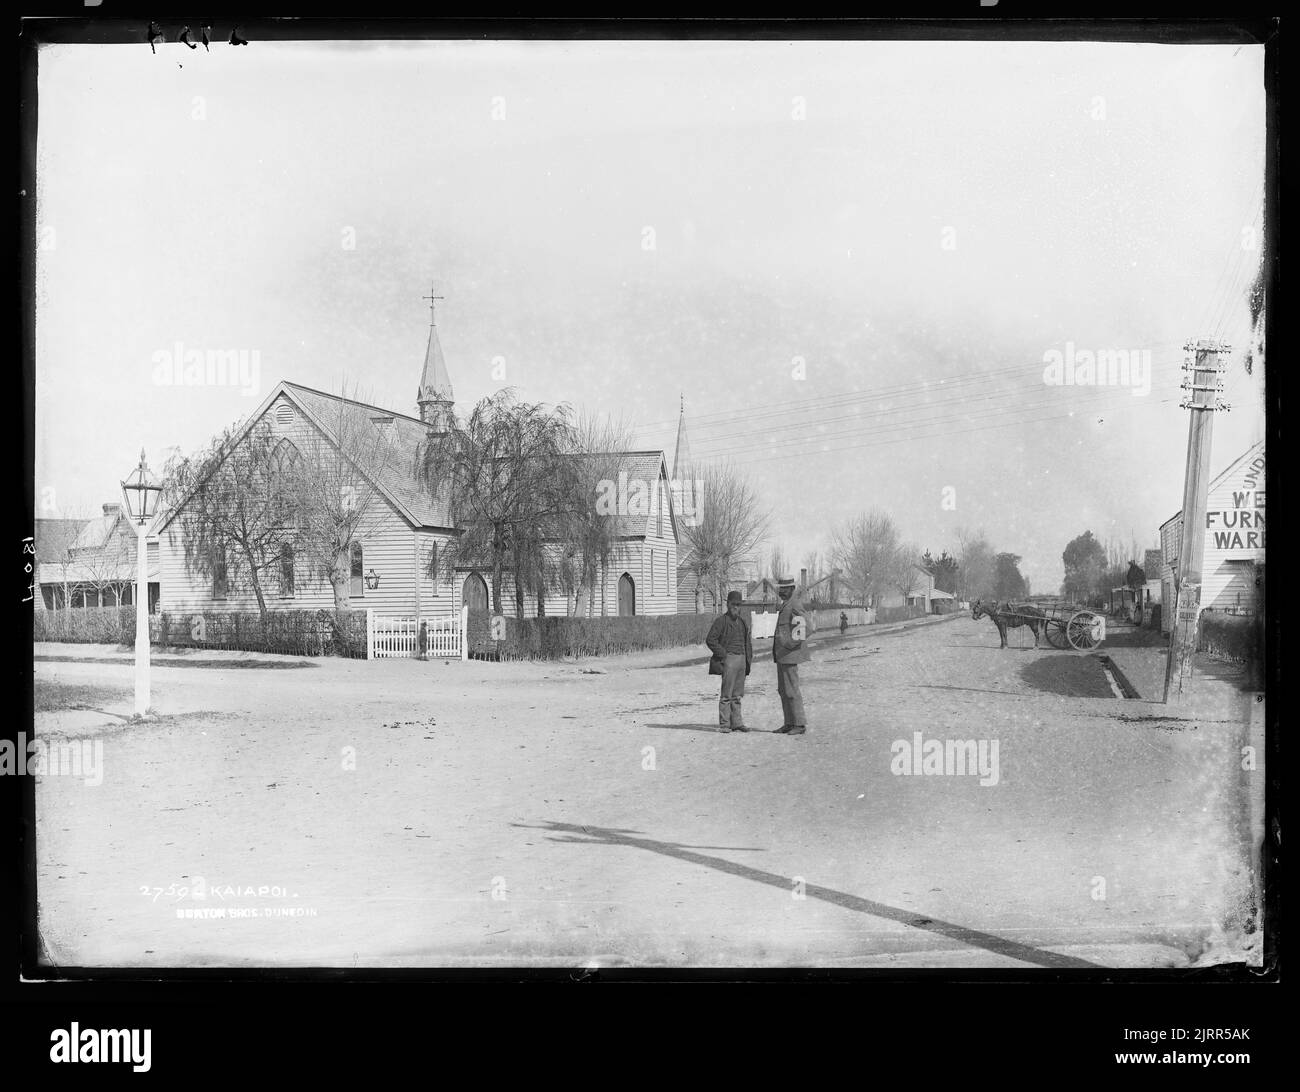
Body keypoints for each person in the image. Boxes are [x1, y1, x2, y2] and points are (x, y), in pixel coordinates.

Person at [705, 591, 752, 733]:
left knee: (737, 695)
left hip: (742, 659)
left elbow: (747, 642)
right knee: (726, 695)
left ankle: (737, 723)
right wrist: (724, 656)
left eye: (738, 605)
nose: (736, 607)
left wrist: (748, 660)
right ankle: (725, 724)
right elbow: (710, 640)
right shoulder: (721, 621)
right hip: (729, 659)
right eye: (733, 604)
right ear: (727, 604)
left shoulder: (743, 622)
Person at [772, 577, 811, 735]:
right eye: (780, 588)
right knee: (783, 690)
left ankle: (799, 724)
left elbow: (807, 627)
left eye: (785, 589)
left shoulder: (794, 604)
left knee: (792, 690)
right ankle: (789, 723)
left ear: (792, 589)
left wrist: (790, 643)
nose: (781, 591)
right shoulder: (786, 605)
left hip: (790, 655)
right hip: (782, 656)